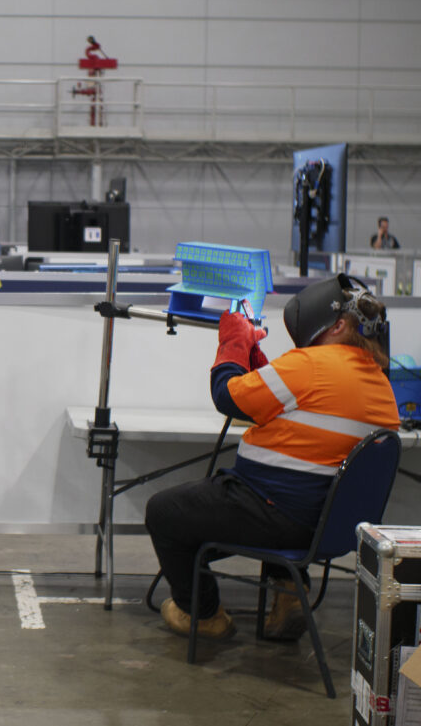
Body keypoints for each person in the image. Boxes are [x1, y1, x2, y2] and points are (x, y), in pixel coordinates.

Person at [144, 275, 400, 642]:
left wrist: (234, 341)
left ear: (339, 325)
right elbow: (287, 405)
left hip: (274, 512)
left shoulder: (311, 364)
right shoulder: (378, 383)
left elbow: (228, 397)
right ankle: (287, 593)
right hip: (325, 526)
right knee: (282, 489)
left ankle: (203, 614)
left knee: (165, 512)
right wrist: (256, 358)